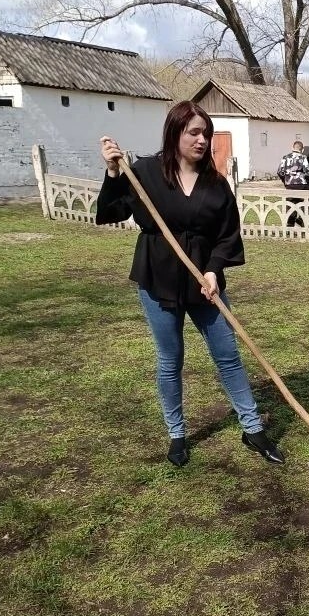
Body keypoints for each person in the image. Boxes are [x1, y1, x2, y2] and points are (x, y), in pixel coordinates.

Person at [95, 101, 285, 468]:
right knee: (171, 360)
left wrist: (214, 270)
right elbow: (109, 212)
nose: (202, 140)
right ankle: (177, 435)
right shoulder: (145, 172)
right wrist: (113, 173)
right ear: (175, 132)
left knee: (228, 356)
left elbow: (228, 236)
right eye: (193, 132)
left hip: (204, 283)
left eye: (206, 134)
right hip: (158, 281)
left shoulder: (216, 185)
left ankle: (252, 429)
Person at [277, 140, 309, 228]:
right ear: (301, 149)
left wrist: (285, 181)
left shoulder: (285, 157)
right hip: (302, 185)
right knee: (305, 204)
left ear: (292, 147)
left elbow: (279, 172)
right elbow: (308, 172)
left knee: (290, 204)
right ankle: (304, 221)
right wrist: (306, 180)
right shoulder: (303, 157)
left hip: (289, 185)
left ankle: (290, 225)